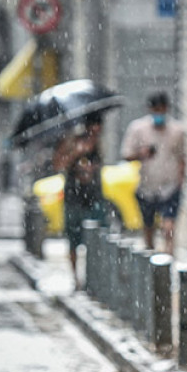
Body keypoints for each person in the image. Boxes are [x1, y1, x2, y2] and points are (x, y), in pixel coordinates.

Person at [121, 92, 187, 254]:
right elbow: (126, 154)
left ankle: (168, 256)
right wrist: (141, 153)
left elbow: (182, 157)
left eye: (162, 110)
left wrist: (180, 181)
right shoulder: (138, 129)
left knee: (168, 226)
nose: (159, 114)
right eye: (156, 110)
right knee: (148, 225)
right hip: (147, 186)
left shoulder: (177, 131)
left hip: (170, 186)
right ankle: (150, 254)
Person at [59, 116, 106, 291]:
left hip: (94, 197)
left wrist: (91, 169)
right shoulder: (71, 141)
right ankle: (76, 278)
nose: (96, 132)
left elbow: (99, 167)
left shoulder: (98, 145)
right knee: (73, 240)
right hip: (74, 198)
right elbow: (59, 163)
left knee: (97, 240)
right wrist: (76, 154)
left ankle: (94, 278)